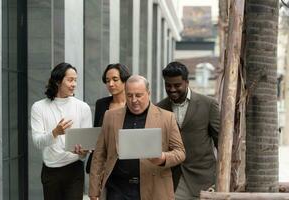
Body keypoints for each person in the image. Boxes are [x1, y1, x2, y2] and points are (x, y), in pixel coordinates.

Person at [88, 75, 186, 200]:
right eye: (129, 95)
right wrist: (94, 190)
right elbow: (99, 155)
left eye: (138, 95)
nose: (134, 100)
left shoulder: (167, 118)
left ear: (148, 93)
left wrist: (163, 158)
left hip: (153, 188)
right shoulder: (110, 116)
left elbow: (181, 152)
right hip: (117, 189)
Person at [157, 61, 220, 200]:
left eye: (177, 85)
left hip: (204, 179)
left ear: (187, 82)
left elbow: (220, 143)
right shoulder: (159, 108)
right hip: (173, 179)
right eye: (168, 85)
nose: (172, 89)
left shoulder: (208, 105)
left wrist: (221, 178)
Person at [31, 62, 92, 200]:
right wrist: (55, 132)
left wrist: (83, 153)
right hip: (50, 171)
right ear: (58, 81)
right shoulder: (39, 107)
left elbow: (87, 143)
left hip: (74, 169)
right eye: (70, 80)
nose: (74, 84)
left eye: (75, 80)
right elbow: (37, 142)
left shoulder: (83, 107)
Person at [85, 63, 131, 173]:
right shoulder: (101, 104)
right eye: (107, 80)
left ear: (125, 80)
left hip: (126, 163)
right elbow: (97, 133)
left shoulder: (133, 104)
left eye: (115, 79)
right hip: (103, 163)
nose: (110, 84)